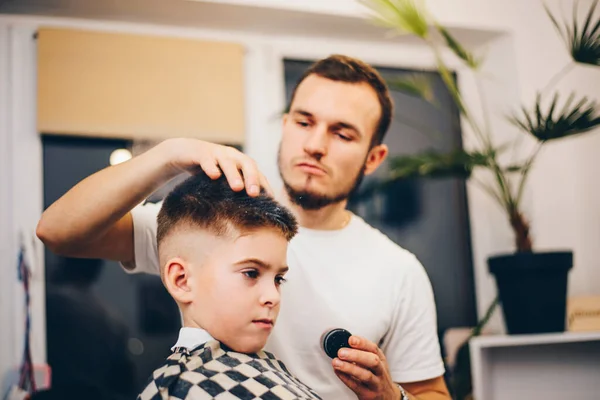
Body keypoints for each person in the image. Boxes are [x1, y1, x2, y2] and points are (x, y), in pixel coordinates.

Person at [37, 55, 451, 399]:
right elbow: (59, 232)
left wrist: (391, 397)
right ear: (286, 123)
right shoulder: (216, 225)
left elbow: (431, 392)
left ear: (373, 157)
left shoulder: (399, 271)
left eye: (341, 133)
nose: (315, 144)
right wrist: (168, 155)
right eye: (304, 122)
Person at [136, 171, 321, 399]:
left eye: (278, 279)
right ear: (181, 280)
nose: (273, 296)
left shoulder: (264, 369)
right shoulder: (180, 389)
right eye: (251, 273)